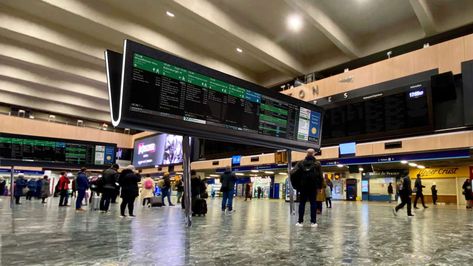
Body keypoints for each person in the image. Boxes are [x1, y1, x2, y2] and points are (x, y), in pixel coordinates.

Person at [291, 148, 323, 227]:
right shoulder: (317, 163)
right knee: (313, 203)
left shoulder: (300, 163)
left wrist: (297, 185)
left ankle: (300, 222)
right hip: (313, 186)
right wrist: (320, 187)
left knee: (302, 203)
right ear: (314, 154)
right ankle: (313, 222)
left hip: (303, 186)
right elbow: (320, 176)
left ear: (306, 153)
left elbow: (292, 173)